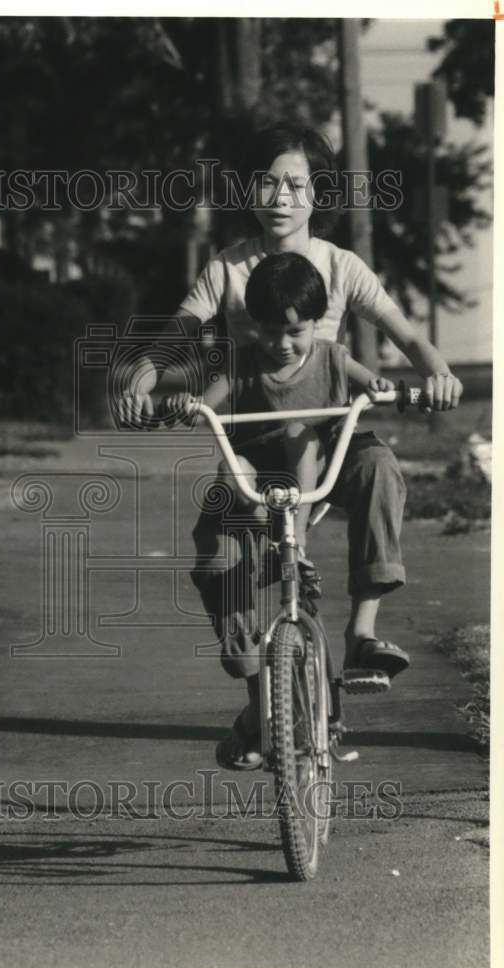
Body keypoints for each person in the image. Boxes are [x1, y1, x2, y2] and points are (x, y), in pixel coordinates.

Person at [117, 122, 462, 719]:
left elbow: (407, 335)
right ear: (248, 190)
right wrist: (139, 379)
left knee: (380, 466)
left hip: (332, 435)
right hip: (253, 443)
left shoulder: (340, 266)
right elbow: (175, 337)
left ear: (317, 194)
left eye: (296, 185)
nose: (281, 198)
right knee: (219, 543)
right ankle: (260, 701)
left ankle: (361, 634)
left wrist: (439, 374)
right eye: (267, 183)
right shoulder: (226, 269)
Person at [163, 252, 396, 767]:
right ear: (255, 327)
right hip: (256, 480)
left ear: (317, 322)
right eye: (271, 332)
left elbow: (369, 382)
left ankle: (310, 567)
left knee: (305, 434)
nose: (283, 344)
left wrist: (380, 388)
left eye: (296, 332)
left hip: (316, 471)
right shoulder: (245, 362)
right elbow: (209, 399)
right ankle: (258, 705)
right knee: (219, 550)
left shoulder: (332, 357)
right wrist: (188, 403)